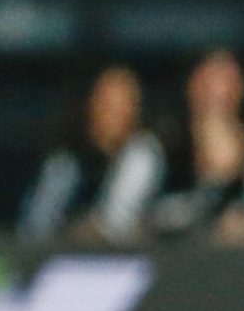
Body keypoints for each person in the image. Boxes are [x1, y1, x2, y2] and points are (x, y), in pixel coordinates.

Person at [152, 49, 244, 247]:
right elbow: (119, 224)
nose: (216, 91)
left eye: (226, 81)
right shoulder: (160, 148)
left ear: (240, 88)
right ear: (192, 86)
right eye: (208, 81)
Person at [18, 65, 165, 246]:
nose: (112, 114)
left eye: (121, 105)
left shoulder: (142, 152)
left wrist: (87, 230)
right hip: (58, 257)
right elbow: (36, 224)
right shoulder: (65, 161)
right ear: (90, 104)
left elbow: (116, 223)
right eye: (106, 104)